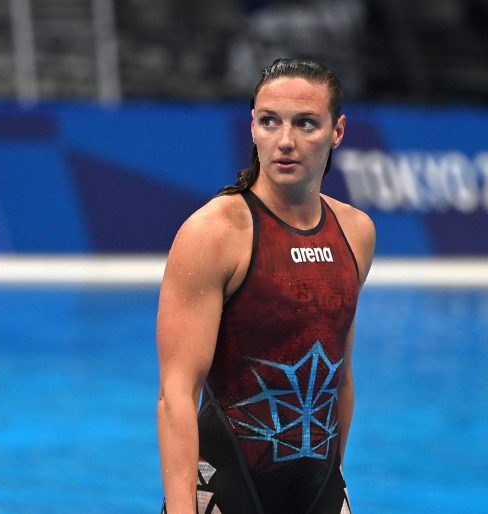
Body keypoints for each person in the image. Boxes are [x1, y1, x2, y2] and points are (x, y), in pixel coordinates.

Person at [157, 58, 375, 514]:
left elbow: (339, 376)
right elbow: (176, 394)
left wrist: (331, 483)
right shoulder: (214, 234)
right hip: (229, 491)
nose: (285, 140)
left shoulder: (355, 232)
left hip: (319, 492)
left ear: (337, 131)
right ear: (253, 125)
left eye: (306, 123)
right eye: (270, 121)